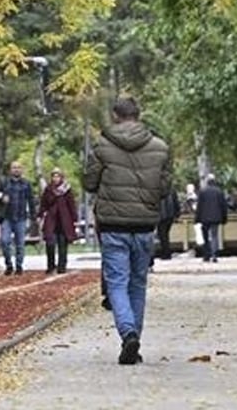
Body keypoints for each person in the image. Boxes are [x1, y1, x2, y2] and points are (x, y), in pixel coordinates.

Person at [85, 96, 171, 366]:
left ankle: (128, 333)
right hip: (145, 224)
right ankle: (134, 339)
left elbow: (89, 182)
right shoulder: (160, 148)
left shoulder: (101, 145)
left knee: (117, 283)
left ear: (115, 115)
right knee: (138, 284)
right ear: (139, 115)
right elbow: (165, 188)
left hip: (113, 225)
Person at [0, 160, 35, 276]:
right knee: (4, 241)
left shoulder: (26, 184)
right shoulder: (4, 183)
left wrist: (33, 216)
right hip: (7, 218)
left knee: (20, 244)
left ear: (22, 170)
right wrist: (2, 199)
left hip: (21, 217)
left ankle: (19, 266)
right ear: (10, 170)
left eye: (18, 168)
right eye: (14, 168)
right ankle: (8, 264)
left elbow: (31, 200)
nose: (16, 170)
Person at [39, 168, 78, 274]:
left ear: (61, 177)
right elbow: (44, 203)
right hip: (51, 220)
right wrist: (40, 214)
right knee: (50, 243)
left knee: (62, 244)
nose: (55, 178)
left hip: (64, 220)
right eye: (54, 176)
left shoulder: (67, 189)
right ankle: (51, 265)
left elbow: (72, 204)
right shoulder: (48, 189)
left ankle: (62, 266)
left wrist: (74, 218)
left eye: (58, 176)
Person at [195, 175, 228, 263]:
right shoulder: (219, 192)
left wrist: (197, 218)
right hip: (216, 217)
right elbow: (223, 206)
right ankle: (214, 254)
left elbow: (199, 206)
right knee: (214, 236)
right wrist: (224, 218)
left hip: (204, 218)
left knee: (205, 236)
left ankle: (206, 254)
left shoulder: (202, 191)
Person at [154, 185, 180, 261]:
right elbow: (176, 202)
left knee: (162, 235)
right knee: (165, 235)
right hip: (170, 215)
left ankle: (166, 254)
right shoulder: (172, 189)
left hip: (162, 216)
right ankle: (166, 252)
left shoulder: (157, 189)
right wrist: (177, 214)